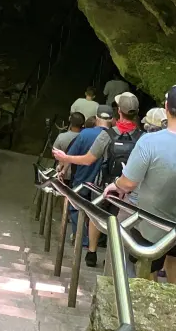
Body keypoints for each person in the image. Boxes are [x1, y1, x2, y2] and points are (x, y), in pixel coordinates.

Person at [104, 83, 176, 285]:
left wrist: (116, 184)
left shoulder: (149, 142)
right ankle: (175, 310)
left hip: (151, 224)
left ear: (166, 108)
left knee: (148, 272)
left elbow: (129, 183)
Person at [53, 92, 141, 267]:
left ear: (119, 111)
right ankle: (115, 259)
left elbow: (88, 159)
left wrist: (66, 158)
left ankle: (91, 252)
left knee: (96, 216)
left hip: (105, 186)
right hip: (129, 189)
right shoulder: (143, 138)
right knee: (124, 222)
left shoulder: (107, 135)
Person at [57, 105, 113, 248]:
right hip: (103, 182)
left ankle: (81, 239)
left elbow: (72, 155)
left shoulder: (85, 133)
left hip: (83, 177)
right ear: (112, 119)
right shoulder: (115, 135)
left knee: (76, 208)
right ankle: (98, 241)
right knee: (98, 212)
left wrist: (62, 169)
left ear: (97, 118)